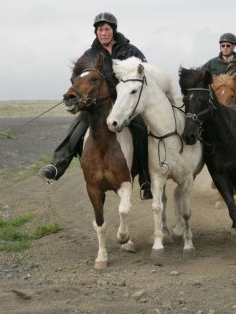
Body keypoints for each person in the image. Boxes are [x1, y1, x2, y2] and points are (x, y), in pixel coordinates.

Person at [38, 12, 153, 200]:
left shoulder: (130, 50)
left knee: (141, 127)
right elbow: (77, 76)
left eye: (107, 29)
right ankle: (57, 166)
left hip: (124, 102)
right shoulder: (90, 54)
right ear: (96, 32)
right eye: (100, 29)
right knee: (77, 128)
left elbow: (143, 70)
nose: (103, 33)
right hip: (98, 104)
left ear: (113, 31)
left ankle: (146, 180)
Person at [201, 33, 236, 105]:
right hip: (214, 104)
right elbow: (200, 79)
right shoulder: (211, 64)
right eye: (223, 46)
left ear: (234, 46)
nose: (225, 48)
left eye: (228, 45)